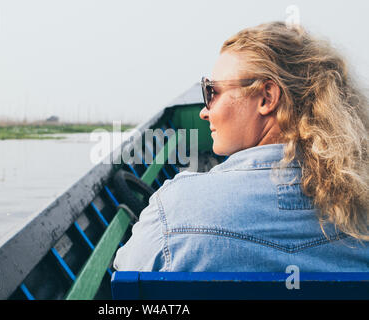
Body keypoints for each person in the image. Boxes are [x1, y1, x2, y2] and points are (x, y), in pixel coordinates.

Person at [113, 22, 368, 272]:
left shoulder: (173, 208)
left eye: (212, 92)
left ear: (267, 98)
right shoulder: (361, 214)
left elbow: (126, 275)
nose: (204, 111)